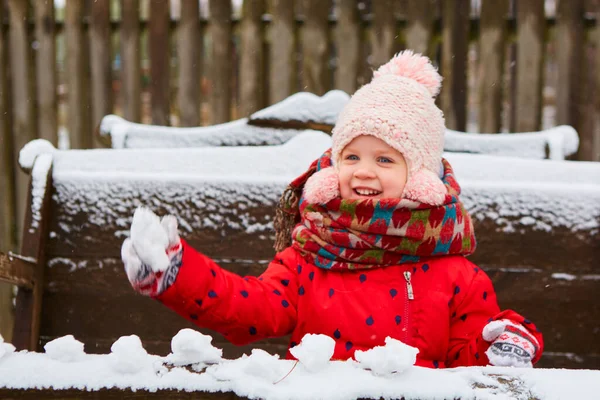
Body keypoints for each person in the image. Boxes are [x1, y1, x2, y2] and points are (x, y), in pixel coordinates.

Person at [121, 51, 543, 369]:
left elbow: (465, 360)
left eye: (385, 160)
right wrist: (177, 276)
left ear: (420, 176)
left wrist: (497, 348)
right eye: (352, 156)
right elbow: (255, 311)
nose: (364, 172)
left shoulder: (456, 274)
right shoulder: (311, 253)